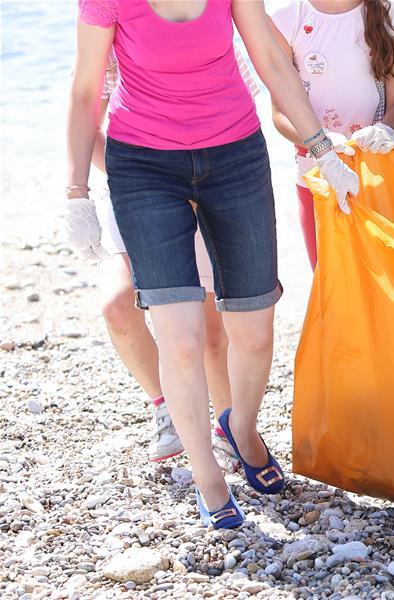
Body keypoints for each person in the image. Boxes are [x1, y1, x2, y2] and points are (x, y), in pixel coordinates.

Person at [67, 0, 359, 529]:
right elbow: (87, 89)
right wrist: (76, 194)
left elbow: (271, 59)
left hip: (234, 158)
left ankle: (241, 428)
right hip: (144, 167)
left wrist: (321, 148)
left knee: (253, 330)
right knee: (180, 340)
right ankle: (209, 479)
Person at [91, 52, 254, 472]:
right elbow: (85, 125)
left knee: (211, 333)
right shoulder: (108, 36)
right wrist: (145, 179)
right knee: (116, 304)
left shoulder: (209, 29)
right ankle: (167, 405)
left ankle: (229, 425)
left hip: (207, 186)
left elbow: (242, 114)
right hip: (136, 190)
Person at [268, 0, 394, 268]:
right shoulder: (285, 18)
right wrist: (321, 143)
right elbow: (279, 115)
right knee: (331, 286)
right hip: (317, 178)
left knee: (389, 287)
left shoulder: (392, 8)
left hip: (380, 176)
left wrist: (384, 130)